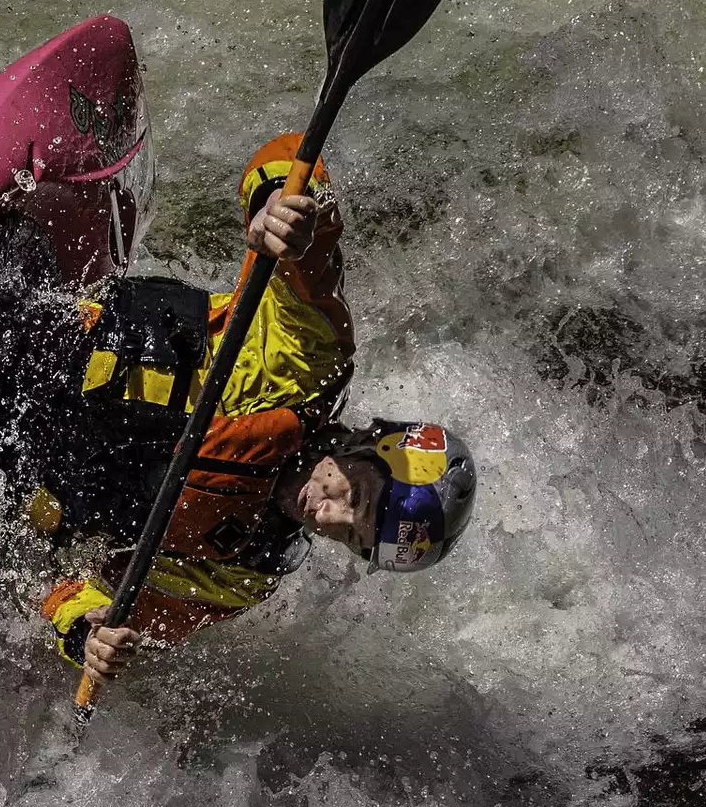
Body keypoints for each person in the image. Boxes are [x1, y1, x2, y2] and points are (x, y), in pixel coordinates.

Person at [32, 133, 478, 685]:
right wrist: (283, 210)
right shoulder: (310, 359)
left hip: (4, 478)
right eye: (356, 499)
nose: (328, 518)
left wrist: (85, 633)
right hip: (42, 344)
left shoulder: (240, 576)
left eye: (351, 538)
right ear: (371, 447)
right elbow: (290, 156)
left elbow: (61, 588)